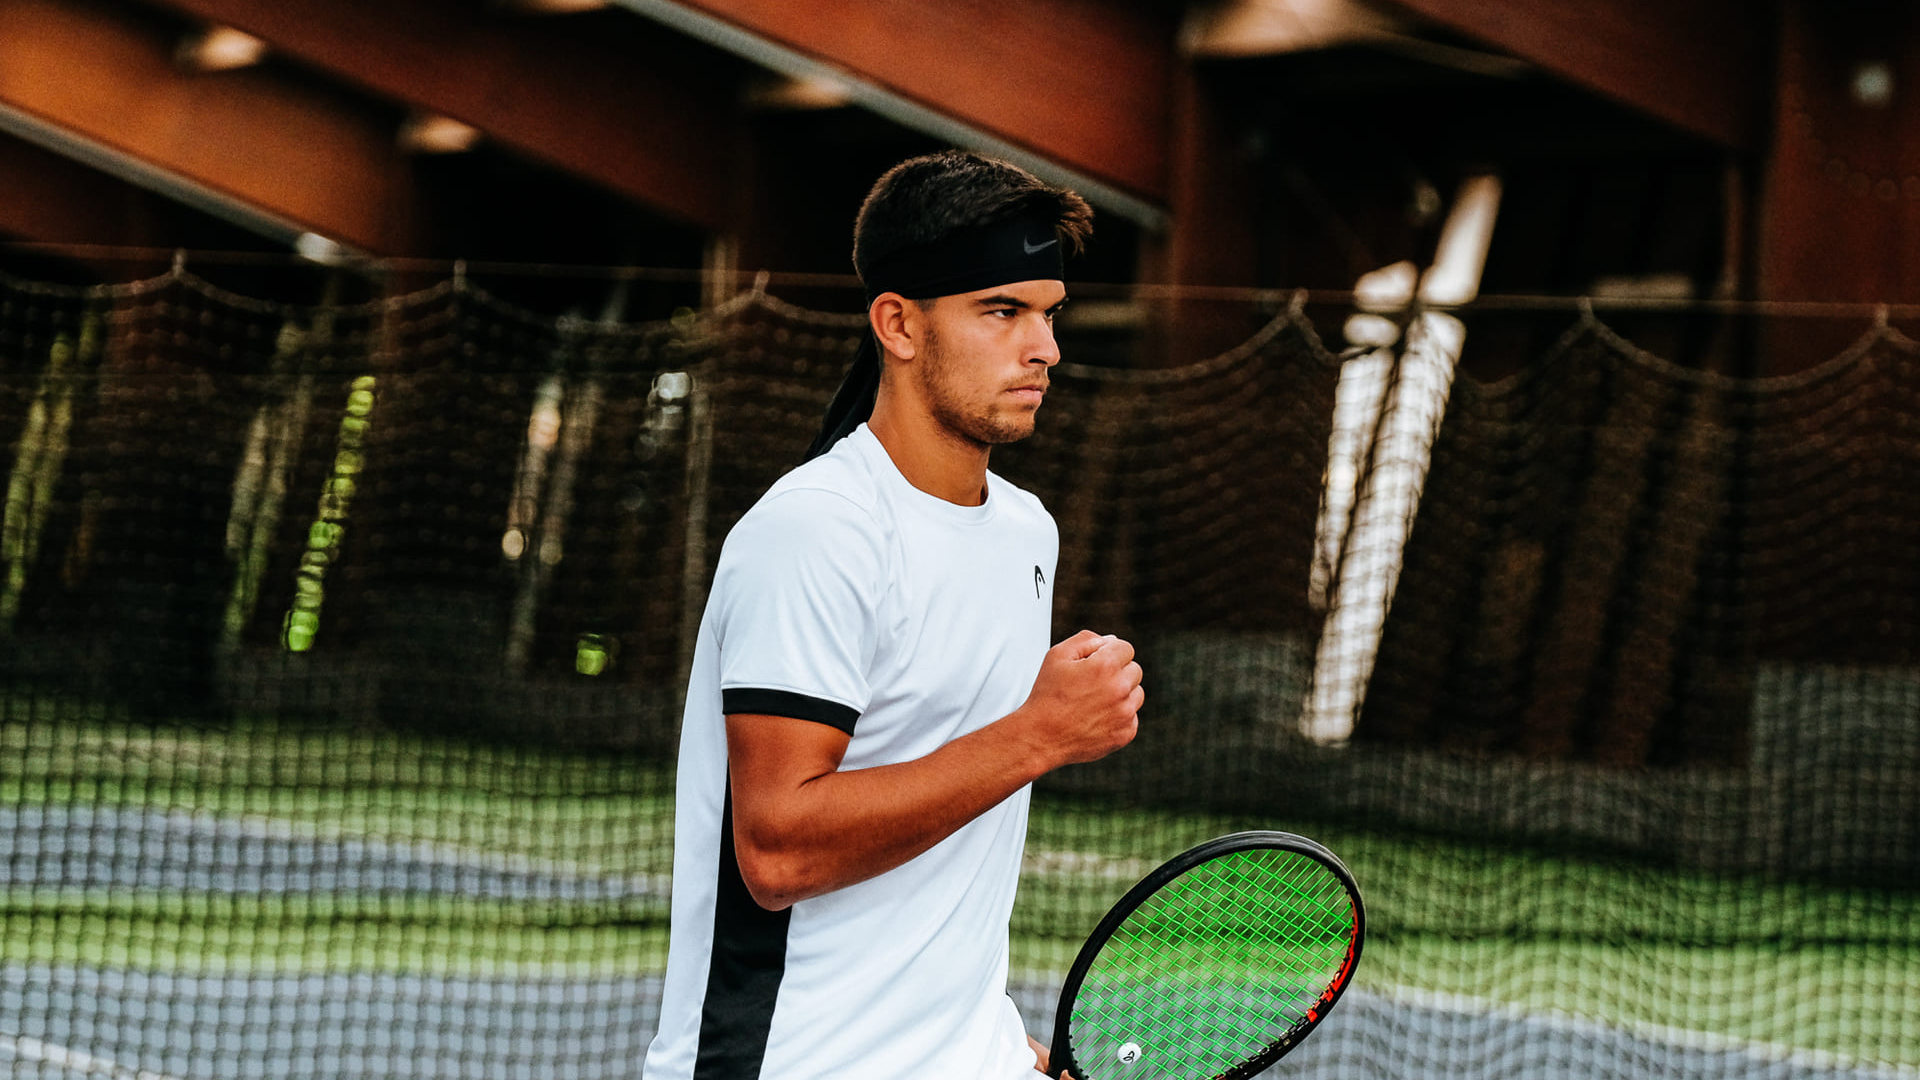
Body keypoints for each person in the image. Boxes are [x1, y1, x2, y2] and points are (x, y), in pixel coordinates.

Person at [641, 150, 1143, 1080]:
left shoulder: (1027, 532)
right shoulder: (816, 531)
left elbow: (942, 858)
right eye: (1002, 311)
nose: (1045, 348)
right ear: (899, 325)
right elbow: (777, 851)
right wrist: (1037, 735)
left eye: (1049, 313)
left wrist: (992, 1042)